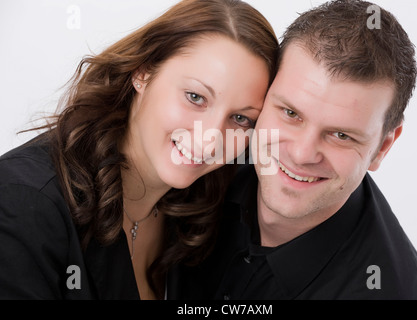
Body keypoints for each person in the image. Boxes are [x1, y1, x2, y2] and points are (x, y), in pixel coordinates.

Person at [0, 0, 279, 300]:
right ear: (143, 73)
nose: (210, 139)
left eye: (240, 118)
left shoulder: (210, 203)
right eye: (195, 97)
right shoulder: (23, 203)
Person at [168, 0, 417, 299]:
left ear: (382, 147)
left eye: (341, 135)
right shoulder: (204, 162)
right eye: (290, 113)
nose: (301, 154)